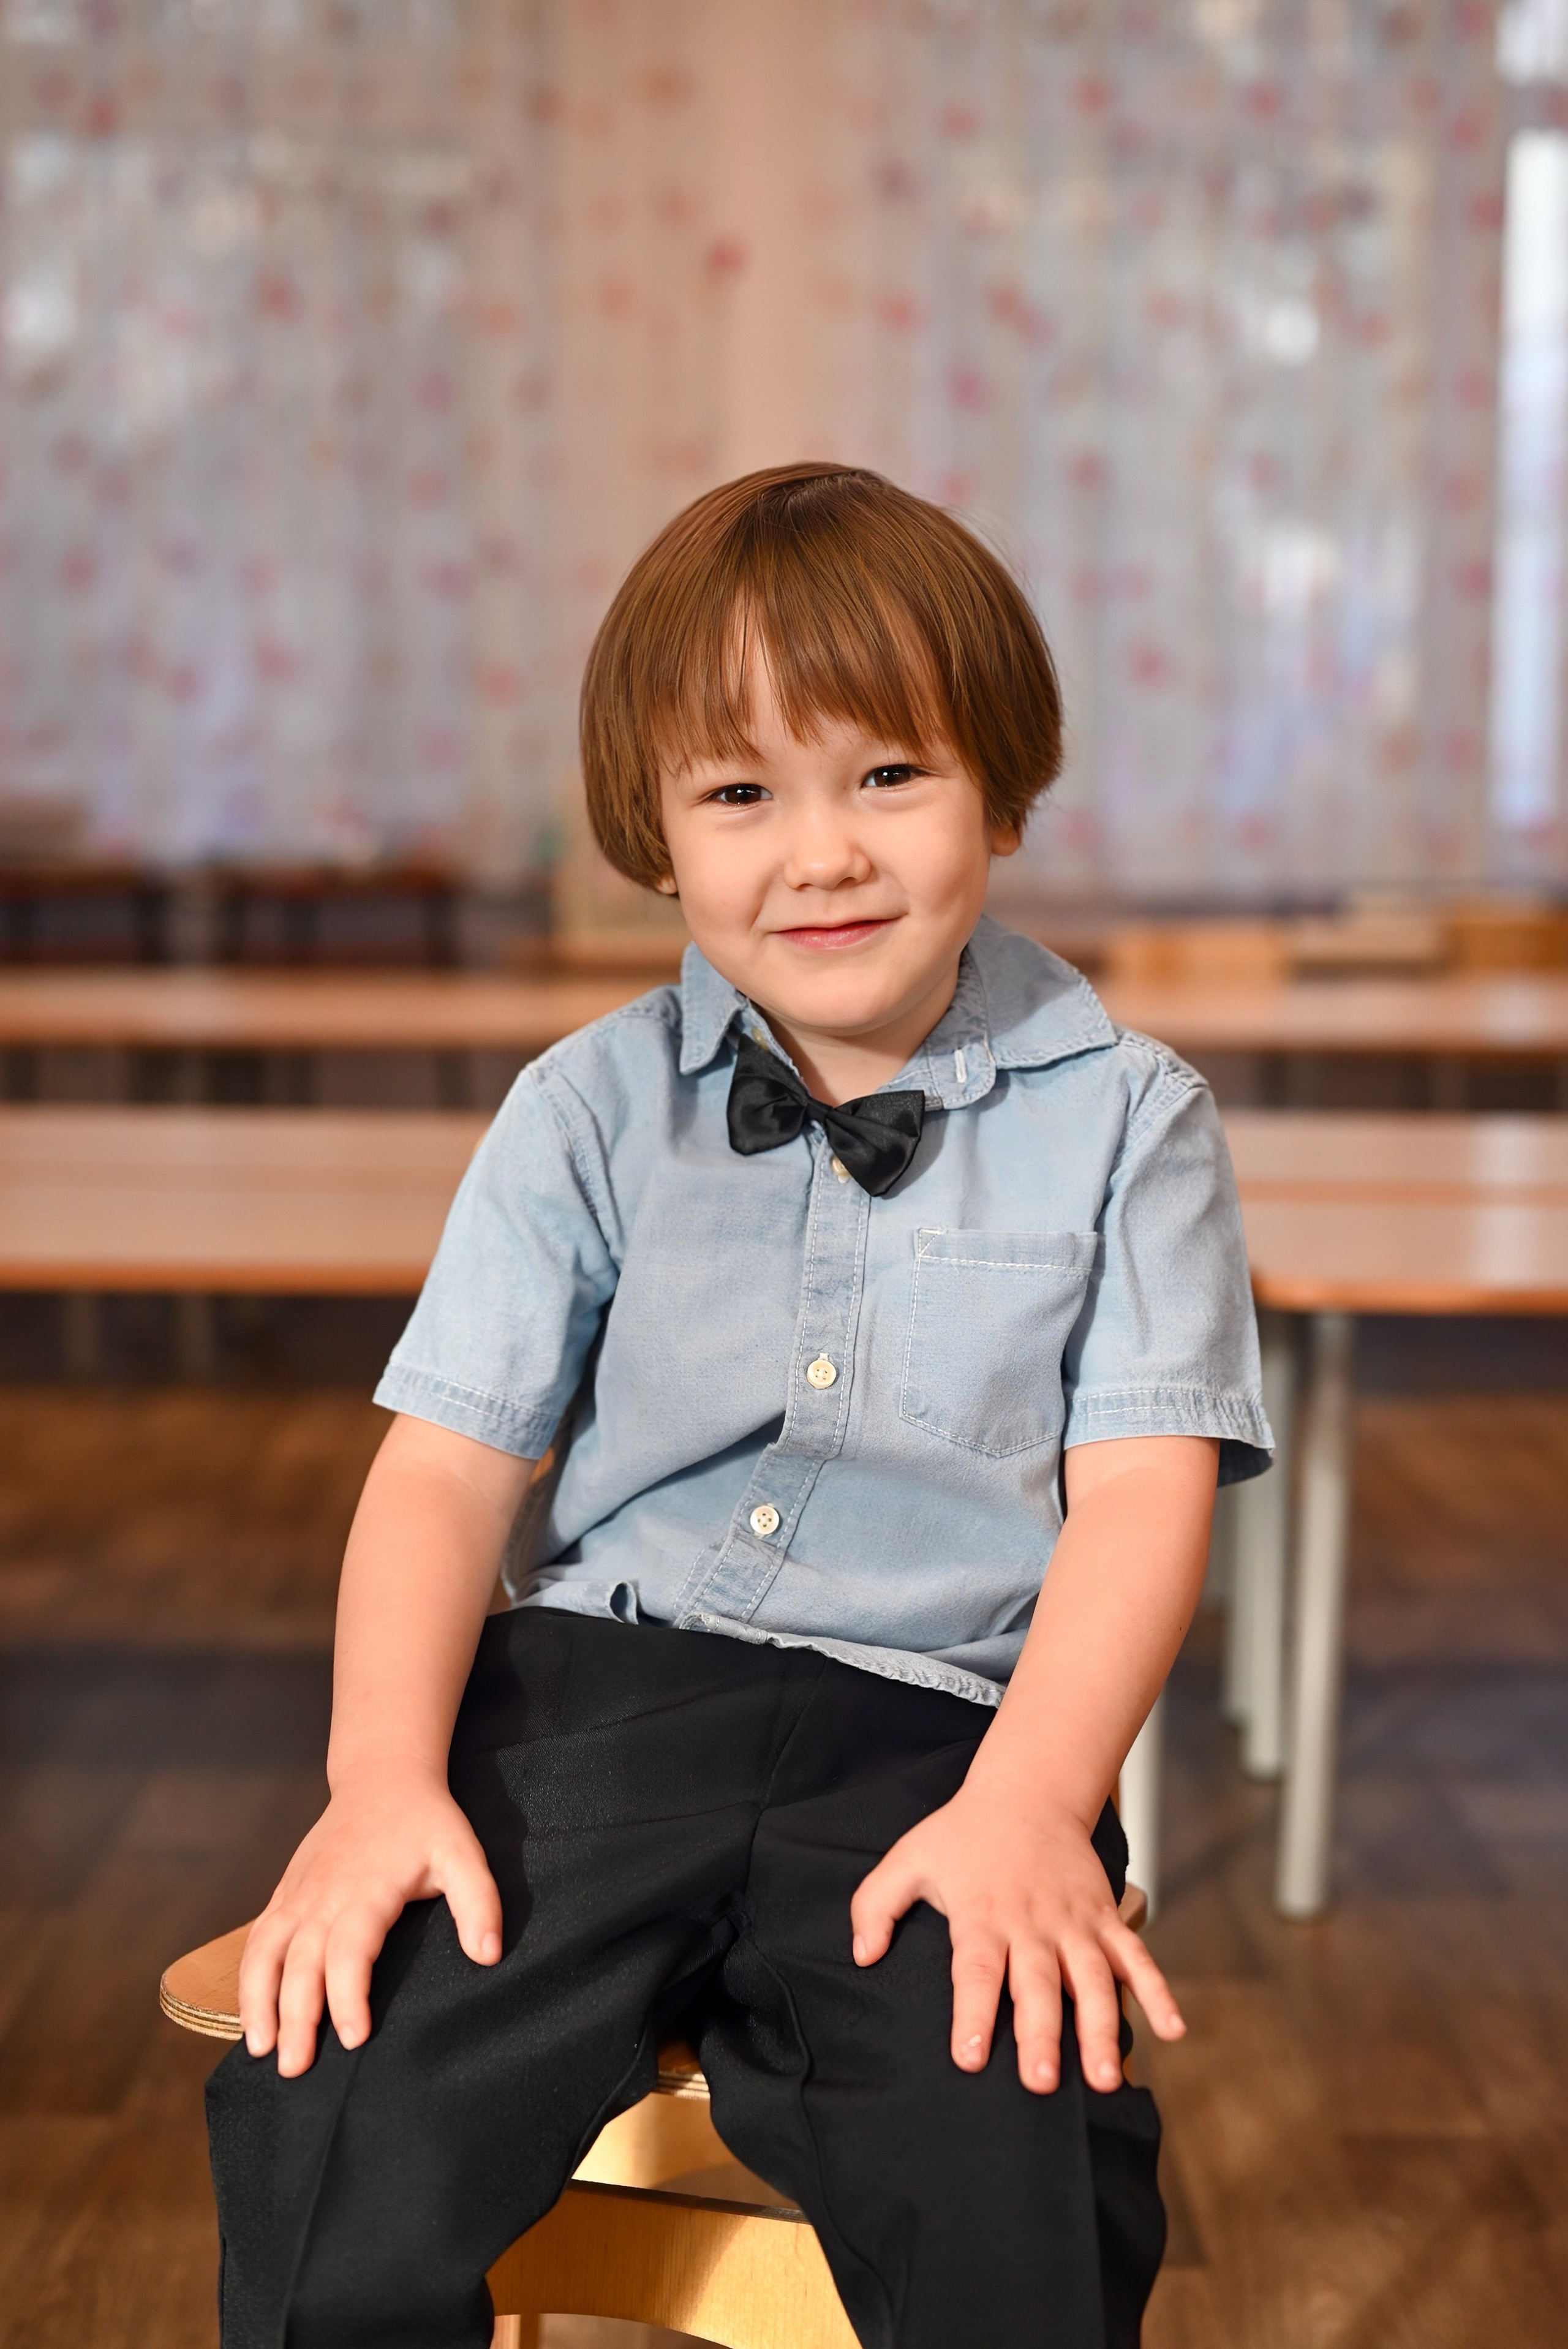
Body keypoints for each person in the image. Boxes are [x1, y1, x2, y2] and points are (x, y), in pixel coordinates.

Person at [206, 463, 1271, 2349]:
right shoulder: (586, 1106)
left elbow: (1140, 1494)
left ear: (1003, 789)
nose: (822, 852)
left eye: (888, 775)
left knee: (1025, 2156)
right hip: (596, 1712)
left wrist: (1038, 1801)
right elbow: (447, 1472)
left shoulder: (1134, 1115)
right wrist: (379, 1779)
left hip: (946, 1742)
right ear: (656, 836)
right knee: (343, 2098)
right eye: (739, 792)